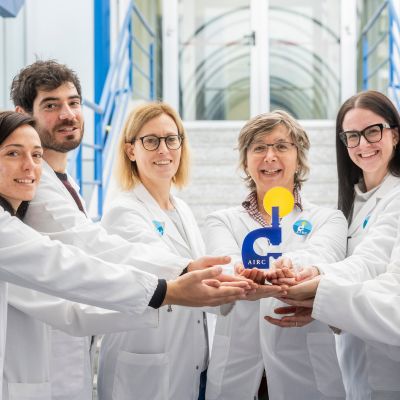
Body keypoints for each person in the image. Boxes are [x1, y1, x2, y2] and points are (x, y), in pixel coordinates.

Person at [8, 60, 251, 400]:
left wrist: (203, 281)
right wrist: (177, 278)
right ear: (23, 116)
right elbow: (90, 249)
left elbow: (75, 300)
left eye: (73, 103)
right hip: (44, 362)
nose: (67, 114)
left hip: (71, 350)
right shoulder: (40, 192)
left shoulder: (65, 182)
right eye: (51, 105)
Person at [97, 102, 238, 399]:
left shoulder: (181, 208)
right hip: (145, 370)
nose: (164, 149)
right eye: (151, 140)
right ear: (131, 150)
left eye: (171, 139)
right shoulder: (122, 212)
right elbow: (163, 265)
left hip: (193, 364)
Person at [204, 110, 348, 400]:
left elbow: (322, 257)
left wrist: (288, 265)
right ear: (246, 161)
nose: (270, 156)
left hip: (306, 375)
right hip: (237, 374)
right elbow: (225, 266)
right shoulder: (220, 221)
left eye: (281, 146)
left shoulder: (329, 219)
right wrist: (244, 272)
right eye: (259, 147)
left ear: (299, 158)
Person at [265, 90, 400, 400]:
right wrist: (311, 277)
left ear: (394, 134)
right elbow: (350, 263)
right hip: (358, 369)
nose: (363, 144)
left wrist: (317, 285)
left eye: (373, 131)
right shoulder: (354, 204)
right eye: (352, 136)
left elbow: (371, 263)